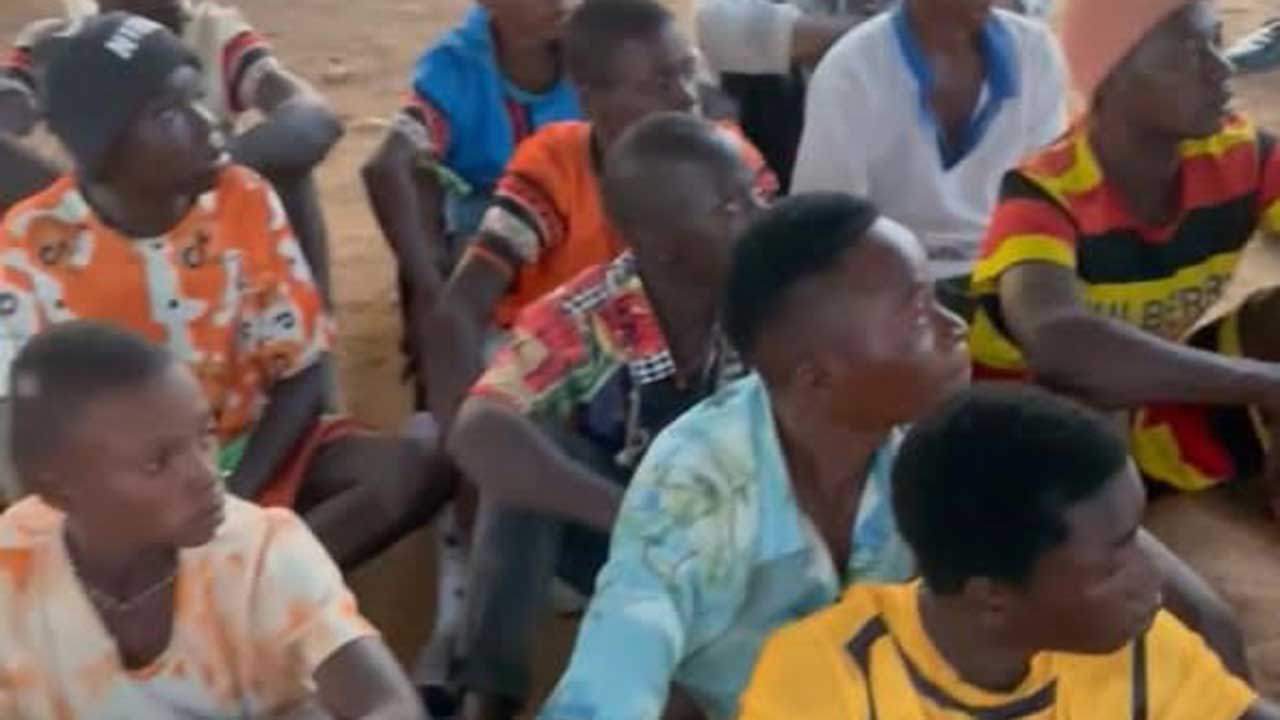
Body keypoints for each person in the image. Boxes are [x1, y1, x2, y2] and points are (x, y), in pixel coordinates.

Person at [539, 193, 1245, 720]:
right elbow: (608, 688)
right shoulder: (695, 496)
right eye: (916, 314)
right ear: (819, 376)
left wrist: (1207, 630)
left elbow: (1158, 585)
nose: (953, 326)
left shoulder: (928, 436)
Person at [0, 13, 453, 570]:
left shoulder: (245, 199)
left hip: (250, 450)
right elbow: (18, 426)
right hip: (121, 485)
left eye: (198, 97)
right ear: (105, 152)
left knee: (410, 468)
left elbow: (303, 374)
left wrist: (230, 500)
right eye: (170, 114)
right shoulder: (31, 245)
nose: (207, 122)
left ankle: (238, 587)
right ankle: (234, 585)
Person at [443, 113, 762, 719]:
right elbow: (476, 430)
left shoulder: (770, 304)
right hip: (618, 536)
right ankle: (489, 698)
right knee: (522, 456)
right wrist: (637, 520)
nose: (758, 216)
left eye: (753, 196)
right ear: (660, 241)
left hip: (745, 542)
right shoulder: (590, 313)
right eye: (731, 207)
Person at [740, 385, 1280, 720]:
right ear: (992, 596)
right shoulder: (823, 686)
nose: (1151, 581)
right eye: (1114, 560)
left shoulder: (1129, 643)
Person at [0, 321, 425, 719]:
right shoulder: (12, 572)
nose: (206, 476)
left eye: (205, 437)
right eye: (157, 463)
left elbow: (392, 705)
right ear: (61, 490)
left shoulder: (262, 551)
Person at [969, 0, 1280, 503]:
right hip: (1033, 459)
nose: (1220, 68)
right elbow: (1059, 342)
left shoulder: (1241, 154)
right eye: (1186, 53)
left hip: (1152, 419)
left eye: (1216, 41)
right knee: (1089, 378)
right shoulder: (1044, 194)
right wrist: (1264, 383)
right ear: (1110, 76)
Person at [427, 0, 776, 427]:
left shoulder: (727, 161)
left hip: (694, 364)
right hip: (560, 373)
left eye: (689, 71)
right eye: (660, 82)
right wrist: (460, 438)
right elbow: (460, 309)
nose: (686, 95)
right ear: (590, 100)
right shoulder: (555, 166)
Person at [0, 0, 342, 297]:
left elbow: (314, 119)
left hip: (207, 228)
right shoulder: (56, 46)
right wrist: (86, 201)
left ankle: (308, 323)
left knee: (287, 168)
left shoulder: (211, 32)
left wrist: (196, 175)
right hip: (81, 244)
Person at [790, 0, 1066, 319]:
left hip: (1005, 273)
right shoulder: (852, 69)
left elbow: (1046, 197)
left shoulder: (1034, 51)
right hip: (889, 284)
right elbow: (825, 229)